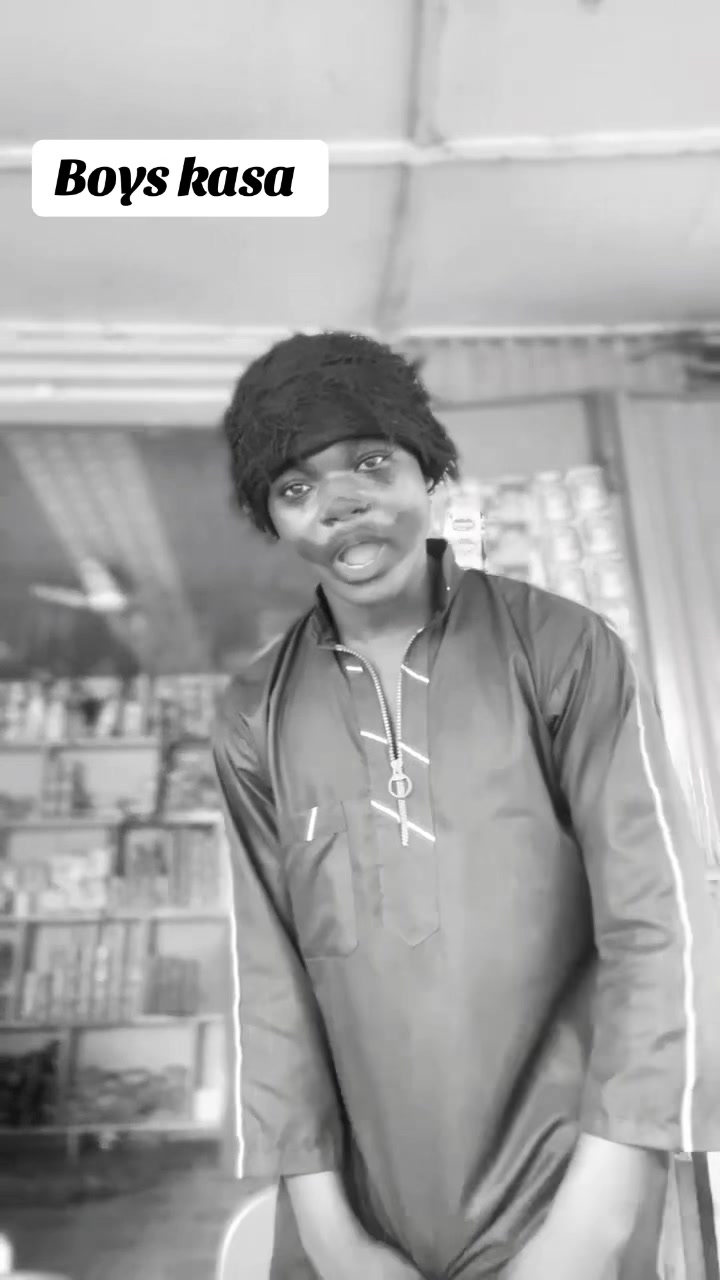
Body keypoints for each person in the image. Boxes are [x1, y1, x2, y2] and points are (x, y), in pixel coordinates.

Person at [212, 331, 720, 1280]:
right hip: (363, 1216)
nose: (339, 502)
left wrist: (594, 1227)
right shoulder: (254, 713)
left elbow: (661, 925)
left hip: (574, 1191)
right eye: (295, 486)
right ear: (273, 519)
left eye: (371, 461)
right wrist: (334, 1240)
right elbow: (267, 986)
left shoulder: (562, 650)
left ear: (429, 468)